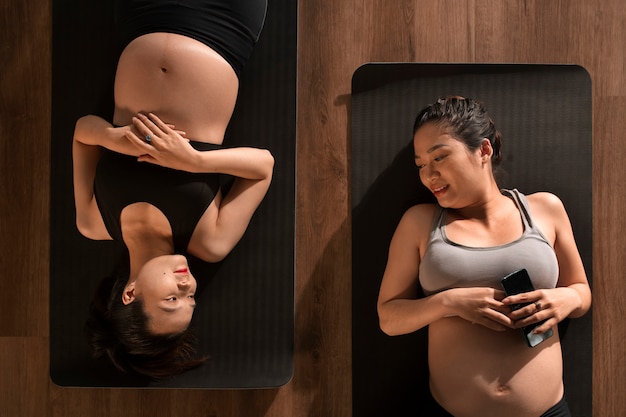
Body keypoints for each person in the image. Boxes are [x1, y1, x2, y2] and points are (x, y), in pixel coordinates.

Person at [73, 0, 272, 378]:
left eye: (172, 298)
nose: (187, 284)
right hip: (224, 27)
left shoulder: (94, 222)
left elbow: (83, 133)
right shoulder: (209, 241)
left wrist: (116, 139)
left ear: (130, 293)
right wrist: (193, 161)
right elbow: (263, 167)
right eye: (191, 298)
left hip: (142, 17)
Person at [377, 96, 591, 417]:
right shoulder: (420, 223)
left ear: (484, 151)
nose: (428, 174)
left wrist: (565, 300)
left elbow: (582, 291)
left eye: (440, 157)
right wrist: (450, 303)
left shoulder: (545, 209)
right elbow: (389, 318)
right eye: (421, 164)